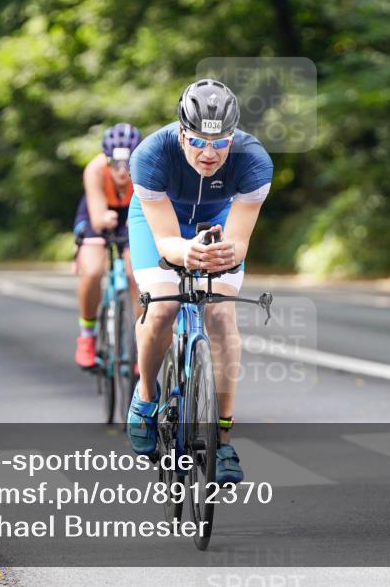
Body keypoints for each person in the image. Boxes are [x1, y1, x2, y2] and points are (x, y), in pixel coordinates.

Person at [126, 79, 273, 484]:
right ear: (180, 132)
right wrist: (183, 252)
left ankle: (223, 439)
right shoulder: (150, 157)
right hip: (159, 221)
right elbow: (165, 241)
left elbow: (239, 241)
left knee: (222, 317)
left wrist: (227, 254)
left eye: (221, 143)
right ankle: (146, 399)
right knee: (163, 307)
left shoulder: (255, 161)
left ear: (233, 137)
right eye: (197, 141)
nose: (209, 153)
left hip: (217, 220)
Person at [73, 123, 142, 370]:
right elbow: (98, 218)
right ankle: (87, 335)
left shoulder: (147, 168)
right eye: (115, 163)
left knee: (136, 273)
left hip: (133, 213)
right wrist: (103, 220)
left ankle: (143, 342)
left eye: (128, 164)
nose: (122, 172)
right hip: (98, 209)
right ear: (106, 159)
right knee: (92, 270)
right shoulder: (95, 169)